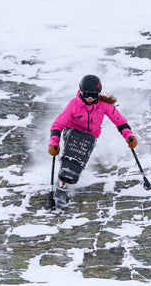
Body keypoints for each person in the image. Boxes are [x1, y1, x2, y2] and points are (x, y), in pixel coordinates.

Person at [48, 74, 138, 205]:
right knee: (71, 156)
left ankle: (71, 176)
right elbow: (58, 125)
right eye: (87, 95)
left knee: (80, 160)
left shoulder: (103, 106)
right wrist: (54, 142)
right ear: (81, 92)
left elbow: (119, 121)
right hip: (72, 133)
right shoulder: (74, 105)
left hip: (90, 138)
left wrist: (128, 135)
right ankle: (61, 186)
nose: (90, 99)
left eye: (94, 96)